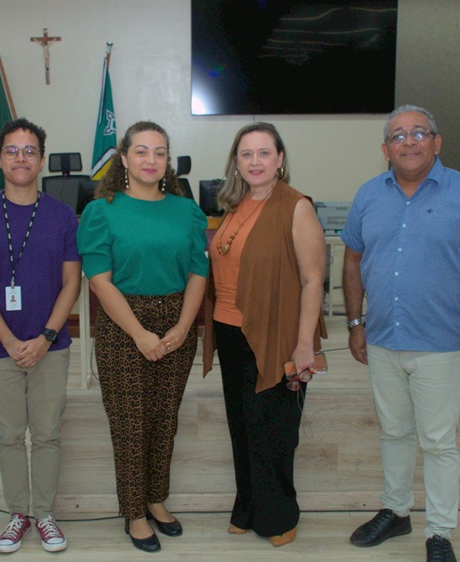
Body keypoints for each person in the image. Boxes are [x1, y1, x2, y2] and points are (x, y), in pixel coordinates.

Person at [340, 105, 460, 562]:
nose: (409, 142)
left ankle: (440, 533)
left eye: (419, 133)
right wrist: (355, 323)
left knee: (438, 442)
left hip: (442, 345)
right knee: (394, 432)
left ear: (437, 142)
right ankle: (396, 511)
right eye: (398, 135)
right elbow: (353, 259)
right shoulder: (368, 196)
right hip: (382, 340)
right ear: (385, 149)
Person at [77, 121, 208, 554]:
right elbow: (99, 279)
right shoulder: (102, 210)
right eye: (141, 151)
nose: (151, 160)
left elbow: (198, 272)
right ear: (124, 158)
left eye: (160, 152)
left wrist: (183, 327)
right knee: (130, 423)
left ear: (168, 161)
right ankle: (134, 511)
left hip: (177, 322)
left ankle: (156, 498)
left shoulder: (186, 210)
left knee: (164, 419)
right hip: (122, 324)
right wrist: (139, 333)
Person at [201, 122, 327, 547]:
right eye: (246, 154)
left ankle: (280, 515)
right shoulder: (233, 206)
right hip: (230, 330)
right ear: (235, 163)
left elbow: (313, 281)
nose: (255, 162)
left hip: (275, 332)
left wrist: (305, 343)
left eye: (263, 153)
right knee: (242, 423)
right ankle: (249, 507)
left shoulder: (295, 206)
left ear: (280, 159)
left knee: (273, 426)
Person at [0, 118, 80, 554]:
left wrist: (46, 336)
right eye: (12, 150)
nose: (21, 158)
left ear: (42, 159)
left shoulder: (63, 215)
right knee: (9, 435)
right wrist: (10, 341)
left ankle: (44, 513)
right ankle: (18, 513)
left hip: (51, 346)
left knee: (46, 433)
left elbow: (72, 283)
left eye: (30, 151)